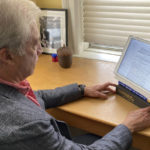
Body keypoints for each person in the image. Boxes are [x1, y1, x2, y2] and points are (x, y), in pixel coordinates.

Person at [0, 0, 150, 150]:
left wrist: (81, 90)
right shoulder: (25, 125)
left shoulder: (9, 85)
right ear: (7, 56)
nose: (40, 49)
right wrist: (127, 126)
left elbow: (36, 97)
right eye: (33, 45)